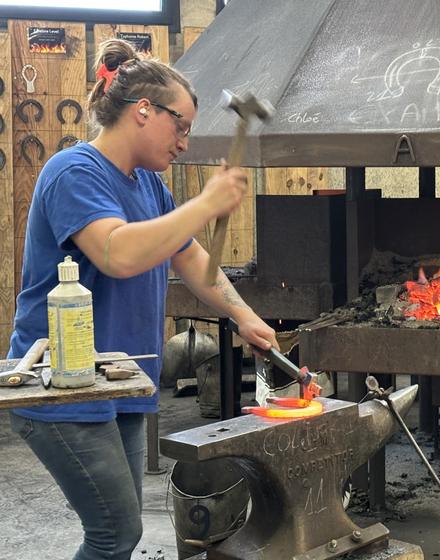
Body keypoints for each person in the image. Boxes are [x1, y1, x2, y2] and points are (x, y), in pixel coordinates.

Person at [6, 38, 278, 560]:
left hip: (122, 381)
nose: (183, 142)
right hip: (63, 389)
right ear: (143, 110)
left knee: (118, 535)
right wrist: (205, 203)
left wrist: (246, 317)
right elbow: (116, 253)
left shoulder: (150, 187)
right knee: (115, 533)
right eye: (180, 126)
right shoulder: (72, 172)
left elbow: (196, 261)